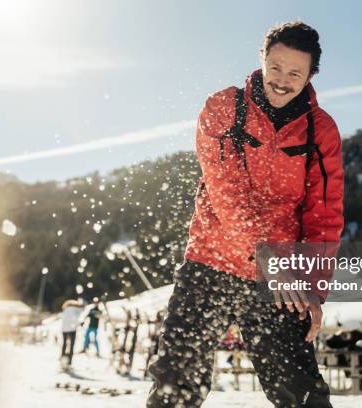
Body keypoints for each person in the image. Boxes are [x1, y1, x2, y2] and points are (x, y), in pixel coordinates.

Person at [147, 20, 344, 407]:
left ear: (310, 76)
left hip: (281, 277)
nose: (282, 81)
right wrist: (267, 258)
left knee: (301, 393)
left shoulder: (320, 131)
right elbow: (226, 192)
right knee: (176, 384)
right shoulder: (224, 107)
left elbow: (323, 214)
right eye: (276, 67)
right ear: (262, 60)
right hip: (210, 263)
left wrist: (314, 288)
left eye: (295, 73)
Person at [60, 299, 83, 368]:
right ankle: (69, 361)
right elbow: (75, 319)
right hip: (72, 329)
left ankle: (62, 358)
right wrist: (79, 323)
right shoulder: (75, 310)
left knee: (64, 344)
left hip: (64, 329)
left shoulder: (66, 309)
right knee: (72, 345)